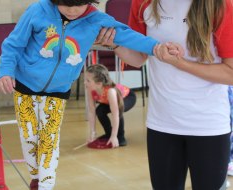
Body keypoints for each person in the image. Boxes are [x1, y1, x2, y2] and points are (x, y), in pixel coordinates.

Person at [0, 0, 178, 189]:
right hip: (25, 85)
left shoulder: (96, 20)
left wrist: (157, 48)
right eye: (66, 5)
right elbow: (13, 44)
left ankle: (45, 185)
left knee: (49, 139)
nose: (73, 11)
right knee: (30, 138)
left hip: (58, 90)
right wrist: (6, 71)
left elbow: (128, 36)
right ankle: (36, 176)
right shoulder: (37, 11)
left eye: (79, 5)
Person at [95, 0, 233, 189]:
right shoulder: (143, 3)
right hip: (162, 123)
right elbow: (137, 58)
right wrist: (115, 45)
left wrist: (180, 63)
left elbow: (230, 72)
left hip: (208, 124)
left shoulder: (222, 5)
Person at [85, 64, 136, 148]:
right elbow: (91, 111)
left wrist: (114, 136)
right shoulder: (90, 90)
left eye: (88, 81)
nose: (85, 82)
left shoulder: (110, 91)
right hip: (108, 101)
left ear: (98, 83)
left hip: (128, 97)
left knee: (118, 111)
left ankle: (120, 137)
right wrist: (92, 133)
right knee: (99, 111)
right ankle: (108, 134)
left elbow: (115, 114)